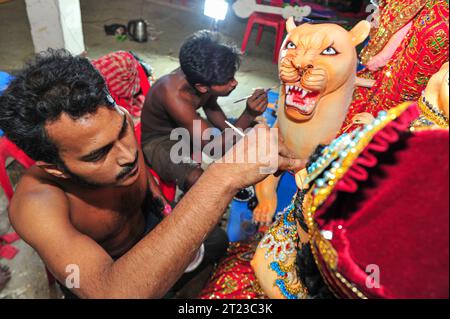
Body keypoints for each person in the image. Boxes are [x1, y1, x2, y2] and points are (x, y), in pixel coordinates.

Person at [0, 49, 303, 299]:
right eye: (97, 154)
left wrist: (167, 213)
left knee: (220, 242)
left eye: (122, 129)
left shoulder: (120, 147)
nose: (128, 154)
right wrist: (224, 175)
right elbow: (113, 293)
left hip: (150, 227)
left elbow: (149, 190)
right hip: (108, 278)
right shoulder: (36, 205)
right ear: (55, 169)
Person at [140, 30, 268, 192]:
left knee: (248, 132)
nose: (234, 83)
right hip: (159, 140)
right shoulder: (175, 95)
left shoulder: (203, 73)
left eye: (233, 76)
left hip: (187, 124)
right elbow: (214, 148)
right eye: (227, 80)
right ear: (202, 87)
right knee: (198, 181)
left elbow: (211, 106)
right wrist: (248, 114)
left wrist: (233, 130)